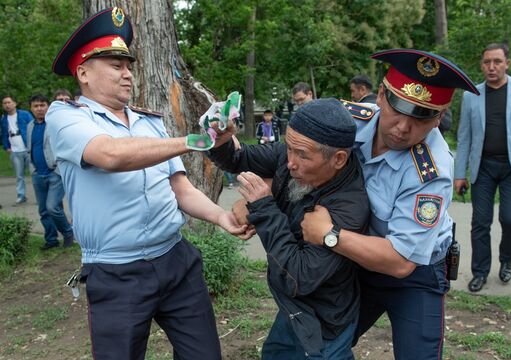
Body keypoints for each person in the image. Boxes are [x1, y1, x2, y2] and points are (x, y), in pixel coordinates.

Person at [46, 7, 248, 359]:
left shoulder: (148, 123)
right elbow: (110, 155)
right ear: (83, 73)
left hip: (176, 260)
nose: (127, 75)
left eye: (128, 67)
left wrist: (221, 217)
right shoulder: (64, 117)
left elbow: (179, 188)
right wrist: (194, 141)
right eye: (115, 65)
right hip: (116, 272)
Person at [301, 49, 480, 359]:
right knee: (311, 344)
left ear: (439, 116)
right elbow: (296, 155)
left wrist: (329, 234)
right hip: (351, 261)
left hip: (415, 276)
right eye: (398, 108)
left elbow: (401, 261)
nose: (403, 127)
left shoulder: (432, 171)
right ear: (381, 95)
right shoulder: (347, 121)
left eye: (422, 116)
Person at [208, 98, 370, 359]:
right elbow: (240, 158)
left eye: (302, 154)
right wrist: (222, 140)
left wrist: (262, 207)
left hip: (324, 324)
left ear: (339, 158)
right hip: (293, 312)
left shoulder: (350, 205)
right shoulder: (291, 154)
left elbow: (298, 277)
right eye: (289, 147)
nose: (290, 162)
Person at [454, 43, 511, 292]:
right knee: (480, 222)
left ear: (508, 63)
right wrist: (458, 174)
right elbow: (464, 138)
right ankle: (480, 272)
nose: (491, 67)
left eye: (497, 61)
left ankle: (507, 259)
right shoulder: (471, 93)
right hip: (483, 167)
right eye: (487, 62)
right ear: (482, 65)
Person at [27, 94, 74, 250]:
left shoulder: (55, 124)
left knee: (52, 207)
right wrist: (32, 169)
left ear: (48, 106)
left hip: (55, 173)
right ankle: (51, 239)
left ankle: (68, 233)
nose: (39, 109)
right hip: (37, 174)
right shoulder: (30, 126)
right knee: (43, 210)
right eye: (36, 106)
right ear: (31, 108)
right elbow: (30, 148)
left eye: (42, 105)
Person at [1, 95, 33, 205]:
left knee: (35, 172)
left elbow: (33, 126)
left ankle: (40, 195)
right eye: (4, 103)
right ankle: (21, 195)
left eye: (9, 102)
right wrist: (7, 147)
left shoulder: (24, 114)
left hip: (28, 148)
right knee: (19, 175)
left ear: (14, 103)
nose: (7, 105)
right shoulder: (4, 119)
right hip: (14, 151)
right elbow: (4, 134)